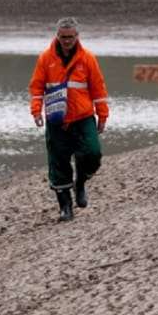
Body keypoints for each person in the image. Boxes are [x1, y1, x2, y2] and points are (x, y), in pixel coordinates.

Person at [29, 17, 109, 222]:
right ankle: (65, 207)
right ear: (57, 36)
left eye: (70, 37)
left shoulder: (87, 58)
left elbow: (98, 89)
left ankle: (80, 182)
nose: (67, 41)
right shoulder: (45, 58)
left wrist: (102, 115)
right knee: (58, 163)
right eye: (63, 37)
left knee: (92, 153)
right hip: (56, 119)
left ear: (77, 36)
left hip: (83, 117)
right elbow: (36, 87)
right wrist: (36, 111)